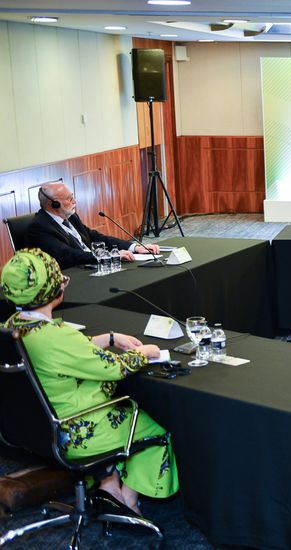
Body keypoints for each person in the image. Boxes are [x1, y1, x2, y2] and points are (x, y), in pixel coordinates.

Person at [1, 248, 178, 516]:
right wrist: (145, 352)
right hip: (78, 432)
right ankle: (127, 500)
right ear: (54, 290)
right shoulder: (56, 337)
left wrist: (109, 338)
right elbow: (116, 368)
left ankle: (108, 484)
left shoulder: (12, 327)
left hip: (35, 429)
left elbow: (67, 352)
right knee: (157, 425)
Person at [26, 181, 161, 269]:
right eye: (69, 199)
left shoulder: (71, 217)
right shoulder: (39, 228)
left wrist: (134, 247)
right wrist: (109, 256)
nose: (74, 201)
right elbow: (68, 255)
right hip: (76, 274)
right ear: (54, 204)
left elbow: (94, 237)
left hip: (95, 266)